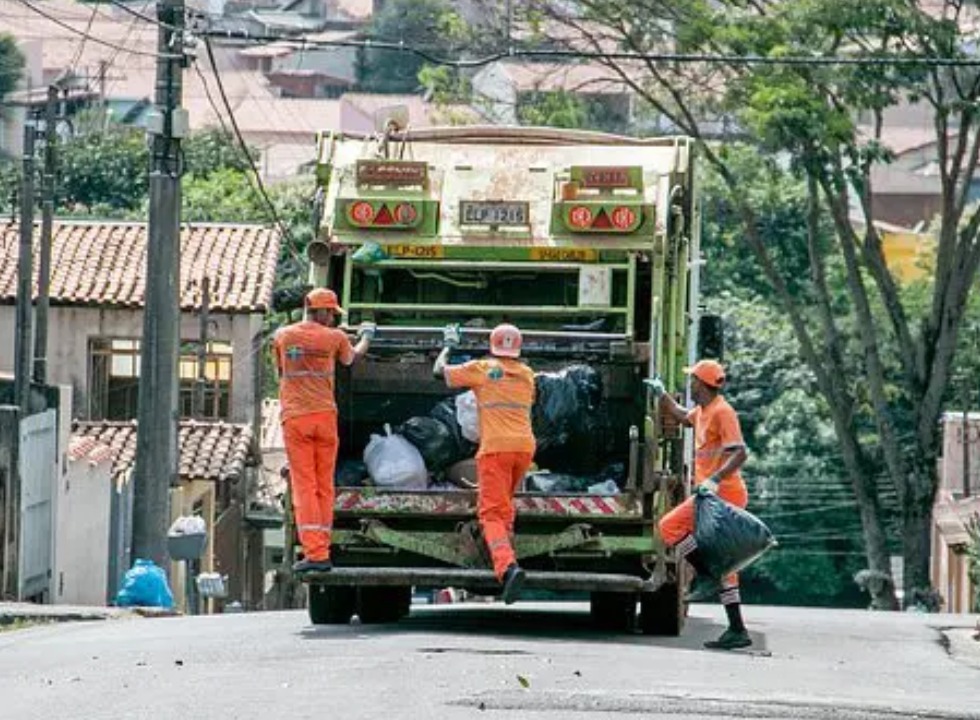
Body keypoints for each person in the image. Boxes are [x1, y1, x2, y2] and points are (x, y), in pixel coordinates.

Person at [645, 359, 751, 650]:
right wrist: (662, 394)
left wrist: (715, 479)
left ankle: (706, 575)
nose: (689, 384)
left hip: (723, 494)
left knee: (669, 526)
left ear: (702, 384)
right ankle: (737, 629)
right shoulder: (703, 411)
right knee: (726, 565)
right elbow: (681, 416)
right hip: (712, 494)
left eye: (692, 380)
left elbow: (740, 453)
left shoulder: (722, 411)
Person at [273, 288, 374, 574]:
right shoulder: (336, 337)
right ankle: (322, 547)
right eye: (330, 312)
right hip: (325, 418)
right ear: (318, 310)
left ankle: (316, 553)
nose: (332, 317)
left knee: (305, 486)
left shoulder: (282, 336)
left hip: (296, 419)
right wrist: (367, 335)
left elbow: (281, 371)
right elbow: (352, 358)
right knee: (324, 486)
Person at [433, 323, 536, 604]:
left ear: (492, 346)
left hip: (496, 449)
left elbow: (438, 372)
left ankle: (507, 567)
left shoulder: (482, 368)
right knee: (505, 507)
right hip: (524, 448)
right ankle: (508, 556)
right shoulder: (527, 374)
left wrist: (449, 345)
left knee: (490, 513)